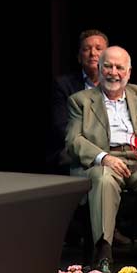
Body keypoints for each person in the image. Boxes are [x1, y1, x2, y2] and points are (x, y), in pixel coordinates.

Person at [66, 46, 137, 273]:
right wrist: (104, 157)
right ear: (99, 69)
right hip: (104, 161)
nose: (113, 72)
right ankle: (103, 254)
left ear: (129, 72)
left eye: (119, 67)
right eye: (108, 66)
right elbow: (73, 140)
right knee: (104, 179)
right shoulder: (81, 101)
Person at [49, 29, 108, 174]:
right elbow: (62, 126)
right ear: (79, 57)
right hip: (76, 147)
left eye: (98, 48)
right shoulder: (63, 85)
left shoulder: (116, 85)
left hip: (112, 148)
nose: (93, 53)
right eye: (86, 49)